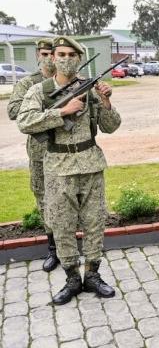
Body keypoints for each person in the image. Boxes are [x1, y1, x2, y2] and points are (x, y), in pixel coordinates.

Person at [17, 36, 121, 304]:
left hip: (90, 163)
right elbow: (25, 121)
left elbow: (111, 126)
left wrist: (106, 102)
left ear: (79, 59)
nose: (65, 59)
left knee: (95, 223)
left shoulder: (90, 89)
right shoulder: (40, 91)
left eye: (71, 55)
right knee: (62, 226)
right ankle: (72, 278)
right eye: (60, 54)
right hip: (58, 168)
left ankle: (93, 275)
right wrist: (62, 112)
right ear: (51, 58)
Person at [6, 38, 59, 272]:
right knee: (44, 198)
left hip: (65, 148)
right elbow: (13, 111)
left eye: (53, 53)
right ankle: (52, 249)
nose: (49, 58)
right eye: (45, 53)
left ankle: (70, 245)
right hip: (40, 150)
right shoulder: (28, 83)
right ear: (38, 54)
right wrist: (45, 107)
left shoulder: (65, 80)